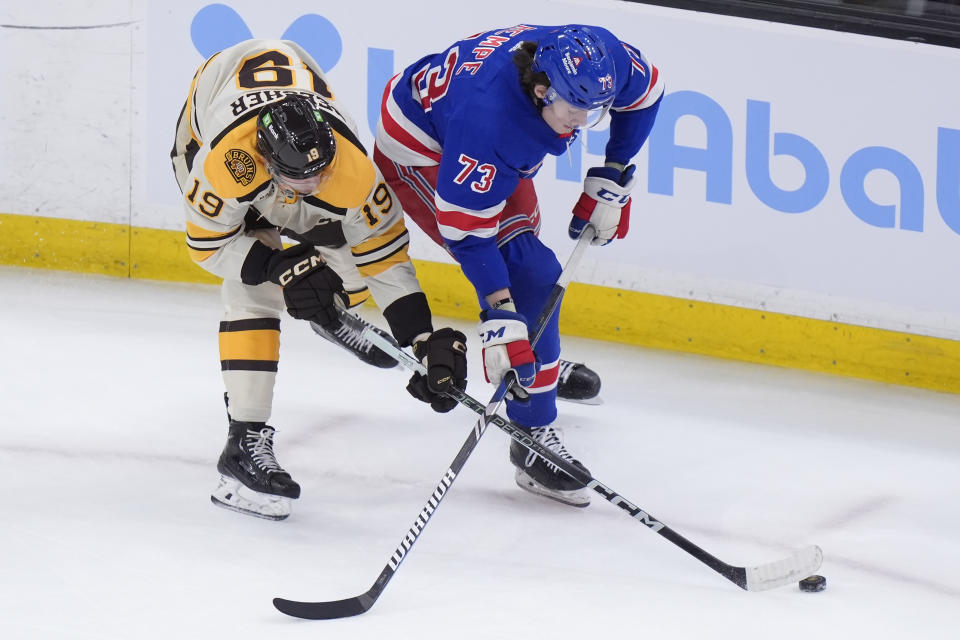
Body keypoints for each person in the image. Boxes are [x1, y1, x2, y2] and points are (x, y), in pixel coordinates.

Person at [170, 39, 468, 520]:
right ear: (267, 160)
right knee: (253, 292)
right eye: (299, 179)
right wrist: (275, 267)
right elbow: (207, 247)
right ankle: (243, 443)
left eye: (321, 173)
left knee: (346, 252)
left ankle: (330, 314)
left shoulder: (350, 169)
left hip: (285, 111)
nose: (314, 186)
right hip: (209, 121)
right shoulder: (227, 164)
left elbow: (385, 258)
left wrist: (421, 336)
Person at [374, 24, 663, 507]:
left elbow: (647, 93)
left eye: (592, 111)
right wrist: (500, 312)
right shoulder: (489, 123)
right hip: (423, 150)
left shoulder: (600, 57)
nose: (580, 121)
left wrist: (614, 169)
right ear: (541, 87)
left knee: (528, 272)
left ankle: (534, 360)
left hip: (470, 124)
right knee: (528, 275)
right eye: (573, 108)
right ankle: (531, 437)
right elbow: (468, 234)